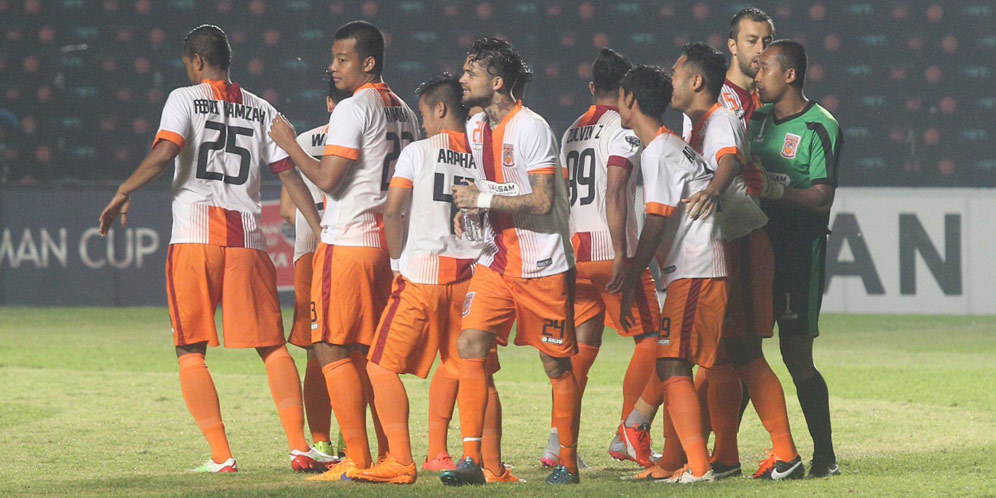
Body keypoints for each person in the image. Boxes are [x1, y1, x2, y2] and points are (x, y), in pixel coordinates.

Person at [97, 24, 328, 473]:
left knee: (190, 349)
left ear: (196, 62)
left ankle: (222, 457)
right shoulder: (262, 109)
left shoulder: (183, 98)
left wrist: (124, 189)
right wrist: (318, 227)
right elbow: (289, 174)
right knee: (274, 348)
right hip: (247, 242)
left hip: (195, 239)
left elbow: (165, 154)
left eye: (188, 64)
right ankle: (300, 447)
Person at [345, 74, 518, 485]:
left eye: (424, 113)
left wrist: (394, 265)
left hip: (421, 276)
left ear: (440, 109)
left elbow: (393, 211)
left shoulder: (418, 153)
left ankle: (400, 462)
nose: (422, 122)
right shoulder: (484, 154)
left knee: (380, 367)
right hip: (474, 277)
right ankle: (492, 466)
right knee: (476, 371)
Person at [267, 20, 420, 481]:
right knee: (374, 356)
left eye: (343, 59)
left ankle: (356, 458)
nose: (332, 67)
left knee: (330, 349)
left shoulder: (354, 108)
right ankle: (392, 456)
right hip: (389, 247)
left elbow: (330, 180)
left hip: (349, 242)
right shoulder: (406, 112)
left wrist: (289, 142)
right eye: (333, 58)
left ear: (368, 62)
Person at [441, 37, 580, 486]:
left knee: (556, 366)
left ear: (497, 82)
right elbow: (494, 193)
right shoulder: (477, 126)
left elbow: (541, 202)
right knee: (470, 346)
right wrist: (472, 212)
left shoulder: (532, 128)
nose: (461, 79)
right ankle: (472, 462)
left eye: (471, 73)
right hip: (498, 262)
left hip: (543, 264)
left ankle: (568, 463)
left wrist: (481, 197)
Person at [674, 42, 803, 480]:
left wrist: (711, 191)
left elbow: (727, 163)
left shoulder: (721, 119)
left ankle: (786, 455)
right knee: (723, 356)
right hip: (722, 248)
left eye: (676, 74)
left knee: (745, 351)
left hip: (744, 244)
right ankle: (726, 457)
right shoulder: (692, 126)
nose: (670, 82)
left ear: (695, 81)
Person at [540, 48, 661, 469]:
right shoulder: (625, 129)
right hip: (611, 250)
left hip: (574, 251)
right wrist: (623, 252)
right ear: (627, 91)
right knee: (654, 340)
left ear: (593, 88)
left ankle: (557, 443)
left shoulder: (571, 130)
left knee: (581, 349)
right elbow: (613, 191)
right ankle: (629, 431)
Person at [614, 64, 722, 484]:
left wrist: (630, 275)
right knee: (671, 364)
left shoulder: (659, 151)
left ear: (630, 101)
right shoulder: (667, 146)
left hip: (697, 269)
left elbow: (656, 222)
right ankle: (675, 462)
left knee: (673, 364)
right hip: (694, 269)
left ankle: (698, 467)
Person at [750, 39, 843, 478]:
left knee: (795, 355)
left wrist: (773, 189)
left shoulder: (820, 125)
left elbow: (823, 198)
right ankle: (724, 455)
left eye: (764, 67)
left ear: (789, 74)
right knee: (742, 349)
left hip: (797, 253)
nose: (757, 75)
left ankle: (825, 456)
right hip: (754, 248)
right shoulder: (758, 120)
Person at [276, 79, 352, 462]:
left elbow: (288, 212)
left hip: (311, 254)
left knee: (314, 350)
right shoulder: (370, 137)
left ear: (327, 102)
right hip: (356, 251)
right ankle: (354, 442)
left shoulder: (303, 141)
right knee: (358, 350)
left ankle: (319, 442)